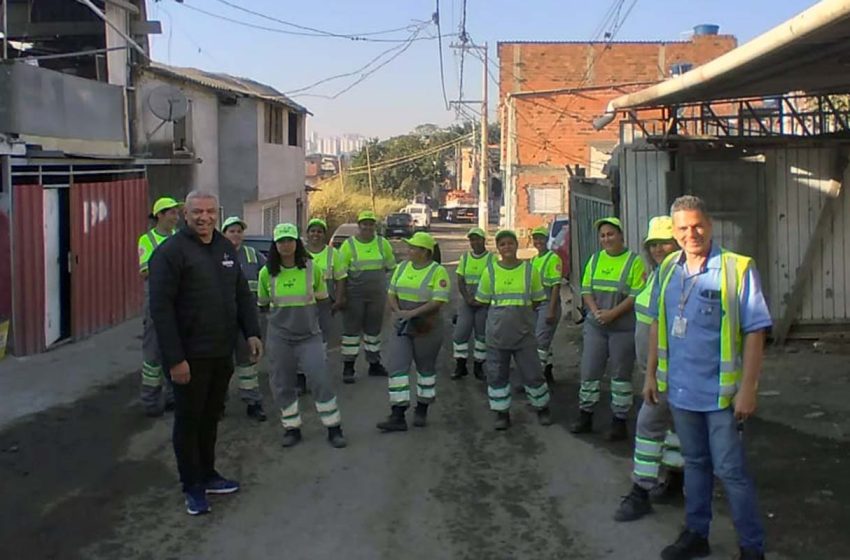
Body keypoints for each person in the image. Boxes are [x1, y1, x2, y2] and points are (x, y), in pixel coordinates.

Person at [648, 196, 771, 560]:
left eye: (698, 225)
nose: (692, 233)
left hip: (721, 397)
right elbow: (658, 321)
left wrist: (747, 388)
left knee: (731, 472)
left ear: (710, 224)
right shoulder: (668, 268)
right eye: (683, 228)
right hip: (682, 392)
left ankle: (752, 549)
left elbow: (755, 331)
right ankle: (696, 534)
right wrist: (651, 376)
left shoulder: (737, 268)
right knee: (695, 465)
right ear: (674, 232)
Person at [149, 191, 263, 516]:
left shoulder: (225, 248)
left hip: (220, 352)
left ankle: (209, 474)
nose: (204, 217)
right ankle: (193, 486)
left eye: (210, 211)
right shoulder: (169, 253)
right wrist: (175, 360)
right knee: (189, 421)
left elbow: (241, 293)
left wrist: (251, 331)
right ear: (185, 214)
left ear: (217, 213)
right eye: (197, 211)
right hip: (189, 356)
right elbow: (161, 310)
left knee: (211, 416)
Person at [614, 216, 683, 522]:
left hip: (672, 374)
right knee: (671, 430)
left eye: (664, 243)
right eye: (652, 244)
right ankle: (675, 482)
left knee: (648, 427)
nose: (657, 249)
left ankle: (641, 491)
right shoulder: (656, 275)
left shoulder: (680, 278)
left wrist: (656, 374)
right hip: (655, 374)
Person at [258, 223, 347, 449]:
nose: (285, 245)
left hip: (309, 337)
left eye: (290, 240)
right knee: (283, 384)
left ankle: (333, 428)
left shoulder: (311, 269)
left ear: (297, 243)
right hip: (280, 339)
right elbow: (263, 307)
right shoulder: (266, 273)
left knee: (320, 380)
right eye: (281, 241)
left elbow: (323, 303)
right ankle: (292, 428)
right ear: (275, 245)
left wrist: (328, 336)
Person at [570, 216, 645, 440]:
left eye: (610, 234)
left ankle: (619, 422)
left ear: (621, 235)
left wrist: (613, 313)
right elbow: (586, 290)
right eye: (602, 235)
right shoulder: (594, 260)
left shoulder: (634, 261)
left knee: (621, 375)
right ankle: (586, 415)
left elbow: (635, 295)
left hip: (623, 327)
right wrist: (596, 312)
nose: (606, 239)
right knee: (590, 371)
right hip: (597, 326)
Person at [475, 229, 552, 430]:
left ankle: (542, 408)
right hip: (497, 336)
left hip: (524, 335)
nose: (507, 247)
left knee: (533, 373)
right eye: (502, 244)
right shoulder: (490, 271)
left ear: (516, 246)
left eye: (510, 243)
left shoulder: (530, 271)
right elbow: (483, 302)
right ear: (498, 248)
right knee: (497, 375)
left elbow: (537, 301)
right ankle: (502, 413)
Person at [377, 232, 449, 432]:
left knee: (425, 370)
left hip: (427, 325)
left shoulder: (438, 271)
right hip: (402, 324)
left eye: (413, 248)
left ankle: (422, 408)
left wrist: (414, 313)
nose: (408, 251)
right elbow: (391, 292)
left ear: (425, 252)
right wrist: (399, 311)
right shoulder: (401, 268)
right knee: (397, 367)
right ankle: (398, 414)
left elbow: (438, 300)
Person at [337, 210, 397, 383]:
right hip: (354, 295)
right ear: (359, 225)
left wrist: (389, 290)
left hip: (377, 296)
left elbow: (392, 268)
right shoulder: (349, 245)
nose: (368, 227)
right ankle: (348, 368)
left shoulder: (382, 243)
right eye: (364, 224)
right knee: (351, 334)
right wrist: (342, 296)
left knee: (373, 332)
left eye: (371, 224)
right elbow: (341, 273)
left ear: (374, 226)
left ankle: (374, 364)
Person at [221, 216, 267, 422]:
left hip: (247, 316)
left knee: (247, 361)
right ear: (224, 233)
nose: (236, 235)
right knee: (221, 364)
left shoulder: (253, 255)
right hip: (221, 317)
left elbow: (268, 277)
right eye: (231, 231)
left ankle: (252, 402)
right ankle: (217, 404)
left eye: (239, 231)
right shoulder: (216, 254)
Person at [138, 196, 180, 417]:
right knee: (153, 351)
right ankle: (151, 401)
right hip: (156, 301)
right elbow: (144, 271)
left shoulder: (179, 237)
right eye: (172, 213)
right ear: (160, 215)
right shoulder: (147, 240)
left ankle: (174, 396)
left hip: (178, 300)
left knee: (175, 349)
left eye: (176, 212)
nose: (176, 217)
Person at [451, 227, 492, 381]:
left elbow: (493, 281)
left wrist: (482, 299)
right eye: (472, 239)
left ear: (484, 240)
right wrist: (467, 298)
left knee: (481, 335)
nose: (474, 242)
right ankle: (460, 366)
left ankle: (478, 367)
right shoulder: (465, 258)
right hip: (467, 301)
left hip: (484, 302)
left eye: (477, 239)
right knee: (460, 333)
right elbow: (460, 280)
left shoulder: (491, 259)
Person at [305, 217, 347, 344]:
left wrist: (339, 300)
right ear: (307, 234)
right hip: (304, 302)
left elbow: (340, 278)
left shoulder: (333, 253)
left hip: (325, 302)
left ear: (324, 234)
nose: (315, 234)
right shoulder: (300, 252)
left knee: (322, 334)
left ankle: (320, 359)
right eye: (312, 231)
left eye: (319, 231)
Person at [531, 226, 563, 385]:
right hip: (537, 305)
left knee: (540, 341)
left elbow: (556, 286)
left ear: (546, 240)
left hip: (549, 304)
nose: (538, 242)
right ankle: (548, 370)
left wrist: (551, 310)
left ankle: (537, 378)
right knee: (542, 339)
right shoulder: (534, 260)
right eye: (535, 239)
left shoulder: (553, 259)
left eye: (541, 238)